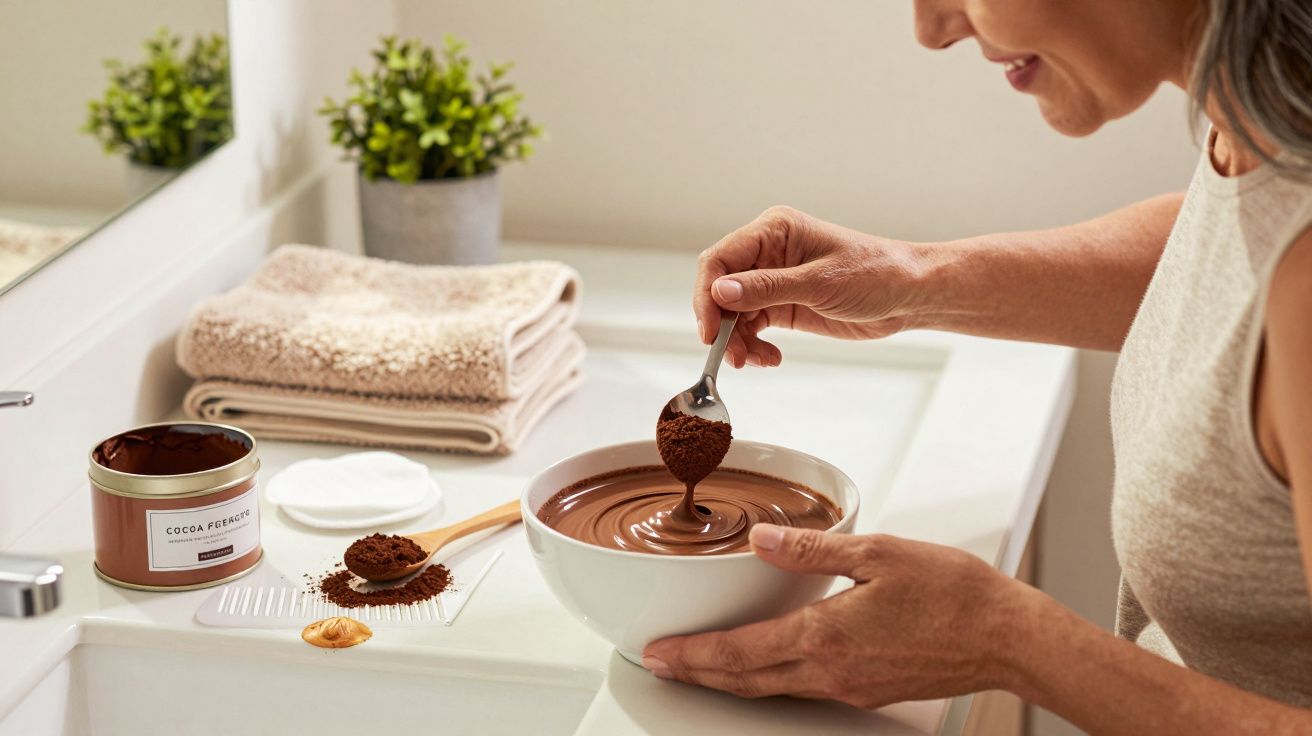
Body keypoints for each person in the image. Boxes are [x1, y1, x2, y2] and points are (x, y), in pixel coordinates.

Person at [640, 0, 1312, 731]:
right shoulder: (1261, 126)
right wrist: (913, 280)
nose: (933, 29)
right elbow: (1233, 261)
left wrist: (1011, 642)